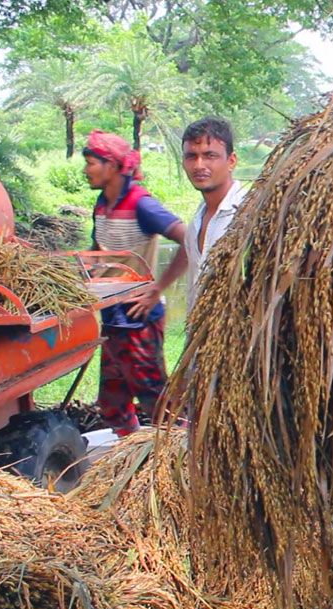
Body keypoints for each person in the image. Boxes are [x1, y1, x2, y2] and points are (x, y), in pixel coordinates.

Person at [82, 130, 186, 437]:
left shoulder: (142, 205)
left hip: (139, 317)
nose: (86, 170)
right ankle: (127, 455)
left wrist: (158, 288)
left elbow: (187, 238)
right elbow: (97, 253)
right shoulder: (102, 205)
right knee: (112, 400)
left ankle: (176, 453)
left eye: (91, 163)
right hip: (113, 315)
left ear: (112, 166)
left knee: (155, 397)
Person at [173, 117, 245, 311]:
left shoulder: (248, 214)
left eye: (209, 155)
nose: (198, 165)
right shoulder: (197, 220)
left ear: (231, 161)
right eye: (191, 156)